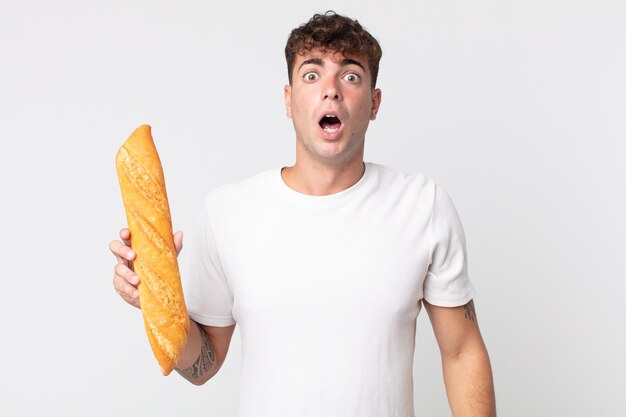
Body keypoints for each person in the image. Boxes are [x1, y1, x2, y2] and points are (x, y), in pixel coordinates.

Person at [110, 11, 496, 417]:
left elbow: (462, 352)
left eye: (351, 76)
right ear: (289, 100)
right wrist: (152, 299)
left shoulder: (423, 206)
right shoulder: (229, 212)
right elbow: (202, 366)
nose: (331, 90)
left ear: (375, 103)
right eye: (312, 75)